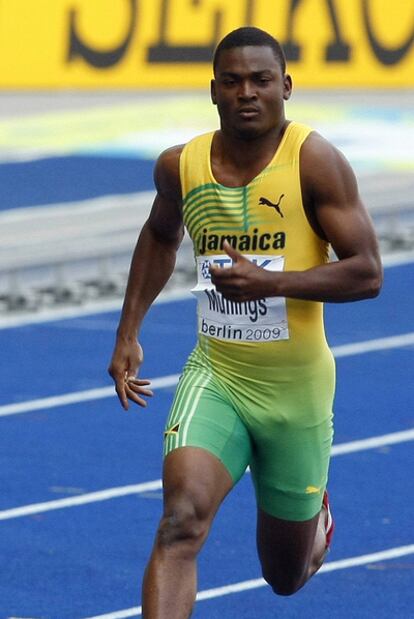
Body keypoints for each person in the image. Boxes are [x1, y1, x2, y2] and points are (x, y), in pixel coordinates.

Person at [108, 26, 382, 618]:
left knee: (284, 577)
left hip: (296, 394)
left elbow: (367, 273)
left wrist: (274, 283)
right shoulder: (181, 166)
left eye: (261, 81)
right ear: (213, 92)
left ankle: (316, 521)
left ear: (286, 86)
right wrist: (129, 331)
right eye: (232, 82)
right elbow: (160, 235)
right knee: (180, 522)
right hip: (218, 376)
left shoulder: (315, 162)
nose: (247, 93)